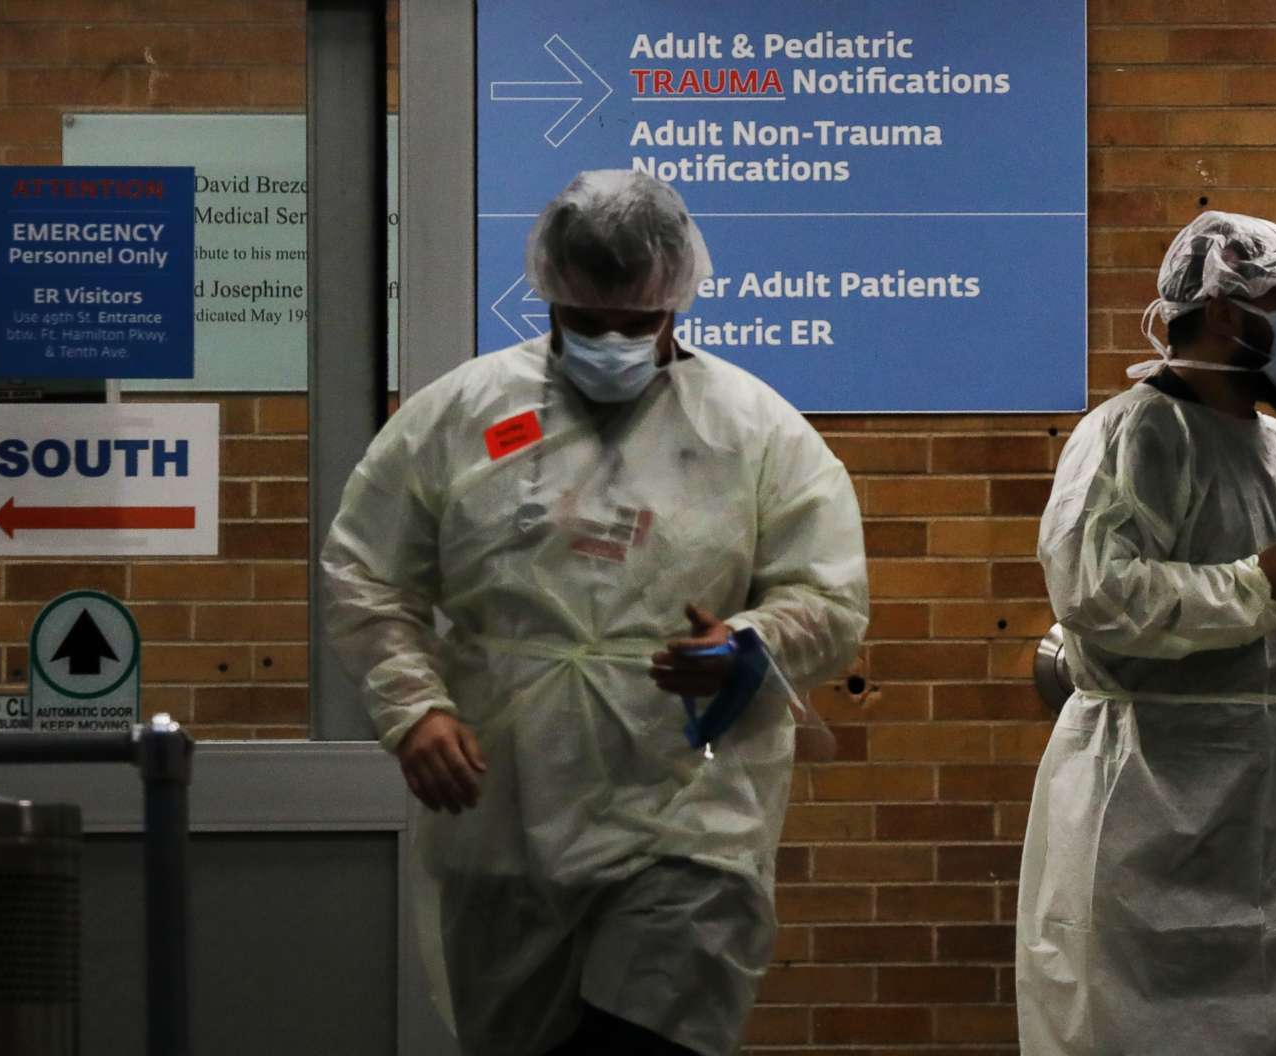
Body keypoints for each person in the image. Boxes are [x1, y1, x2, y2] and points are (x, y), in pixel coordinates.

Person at [323, 170, 868, 1056]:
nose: (611, 342)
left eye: (635, 323)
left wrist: (746, 644)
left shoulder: (754, 431)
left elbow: (831, 595)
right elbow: (366, 572)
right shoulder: (462, 417)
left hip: (687, 810)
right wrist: (411, 706)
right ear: (548, 297)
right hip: (506, 807)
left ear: (676, 303)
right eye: (587, 322)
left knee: (647, 1039)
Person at [1017, 210, 1276, 1056]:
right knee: (1145, 1024)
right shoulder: (1132, 436)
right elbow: (1096, 591)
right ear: (1231, 313)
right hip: (1154, 801)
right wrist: (1251, 588)